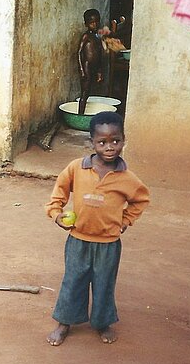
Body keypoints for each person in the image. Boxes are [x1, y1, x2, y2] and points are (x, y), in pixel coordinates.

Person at [44, 111, 149, 345]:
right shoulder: (76, 168)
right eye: (102, 142)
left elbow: (141, 199)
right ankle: (64, 323)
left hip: (108, 243)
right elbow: (59, 191)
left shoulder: (127, 178)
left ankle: (102, 323)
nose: (109, 147)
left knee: (104, 284)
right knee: (73, 281)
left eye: (115, 141)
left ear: (123, 140)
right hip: (78, 240)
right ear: (92, 142)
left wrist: (124, 221)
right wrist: (56, 213)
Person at [77, 9, 104, 115]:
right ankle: (80, 115)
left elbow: (100, 54)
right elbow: (79, 53)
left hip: (95, 66)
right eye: (92, 23)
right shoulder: (86, 36)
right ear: (86, 24)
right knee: (85, 92)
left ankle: (85, 114)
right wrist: (82, 70)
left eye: (97, 21)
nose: (95, 24)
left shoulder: (97, 37)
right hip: (87, 66)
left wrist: (99, 71)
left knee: (90, 91)